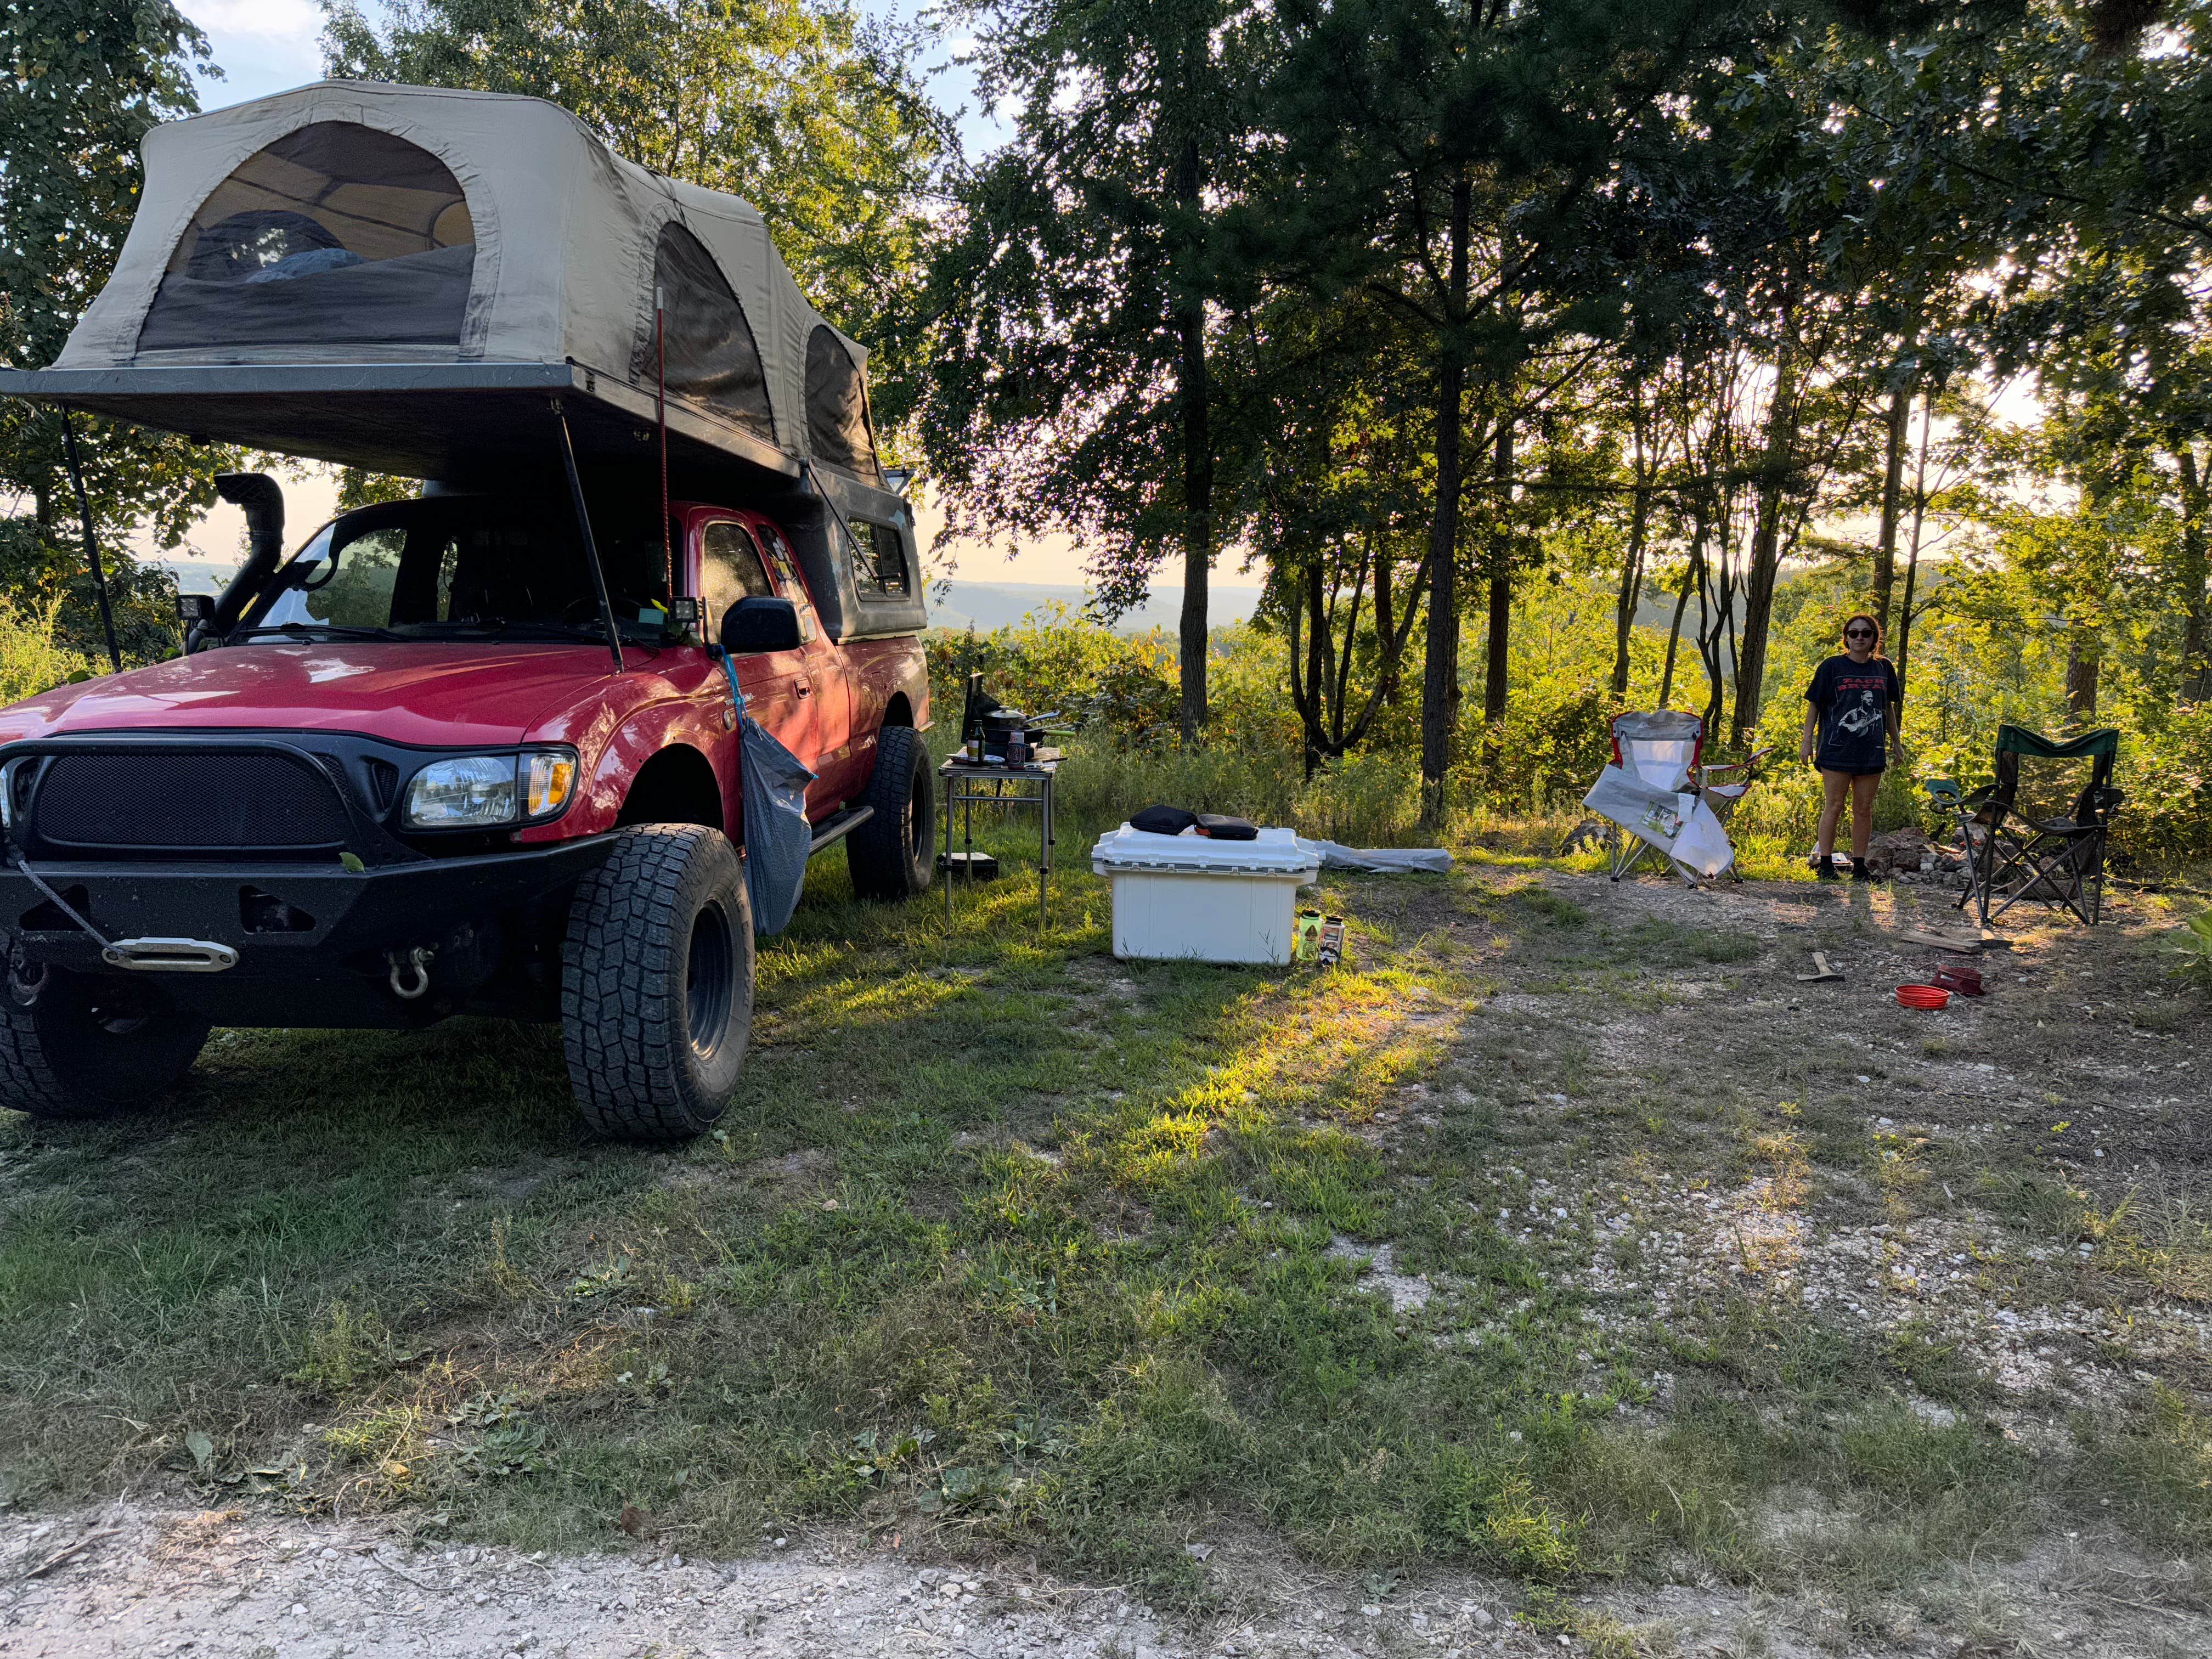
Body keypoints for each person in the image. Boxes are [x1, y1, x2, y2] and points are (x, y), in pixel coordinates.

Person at [1799, 612, 1905, 881]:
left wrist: (1896, 742)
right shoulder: (1832, 667)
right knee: (1833, 805)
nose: (1859, 638)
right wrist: (1807, 741)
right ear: (1846, 638)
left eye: (1865, 634)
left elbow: (1888, 708)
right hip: (1836, 749)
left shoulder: (1884, 668)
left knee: (1863, 809)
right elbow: (1815, 704)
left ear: (1874, 639)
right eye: (1853, 633)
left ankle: (1860, 866)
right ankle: (1825, 865)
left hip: (1872, 751)